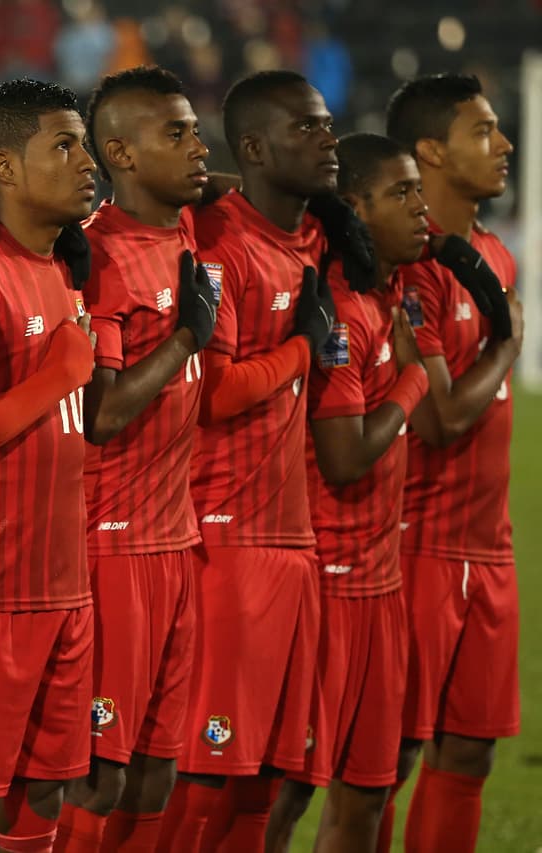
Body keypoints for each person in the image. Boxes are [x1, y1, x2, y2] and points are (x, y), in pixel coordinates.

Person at [157, 70, 346, 853]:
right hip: (226, 540)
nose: (327, 138)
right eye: (307, 127)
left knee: (266, 779)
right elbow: (217, 391)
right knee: (202, 776)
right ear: (258, 148)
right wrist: (304, 346)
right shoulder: (221, 245)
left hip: (293, 539)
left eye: (327, 123)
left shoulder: (313, 236)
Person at [53, 66, 218, 853]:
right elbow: (103, 414)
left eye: (197, 131)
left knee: (158, 769)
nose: (199, 148)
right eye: (177, 134)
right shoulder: (102, 253)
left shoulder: (180, 230)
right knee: (98, 774)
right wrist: (185, 339)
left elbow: (221, 186)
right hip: (112, 544)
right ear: (119, 152)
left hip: (176, 539)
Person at [0, 78, 98, 853]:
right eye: (63, 146)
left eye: (85, 144)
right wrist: (60, 373)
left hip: (66, 581)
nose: (86, 162)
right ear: (4, 166)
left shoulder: (66, 266)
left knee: (43, 787)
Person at [269, 132, 432, 853]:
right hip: (329, 585)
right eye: (401, 193)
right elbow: (344, 459)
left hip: (380, 582)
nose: (420, 207)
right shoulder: (340, 308)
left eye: (419, 190)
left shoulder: (388, 292)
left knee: (369, 786)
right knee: (286, 791)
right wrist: (415, 379)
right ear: (357, 207)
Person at [384, 73, 523, 853]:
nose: (504, 145)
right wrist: (508, 344)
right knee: (387, 759)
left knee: (470, 751)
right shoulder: (412, 267)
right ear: (431, 151)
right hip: (418, 547)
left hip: (489, 548)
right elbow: (437, 419)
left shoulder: (495, 256)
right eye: (484, 131)